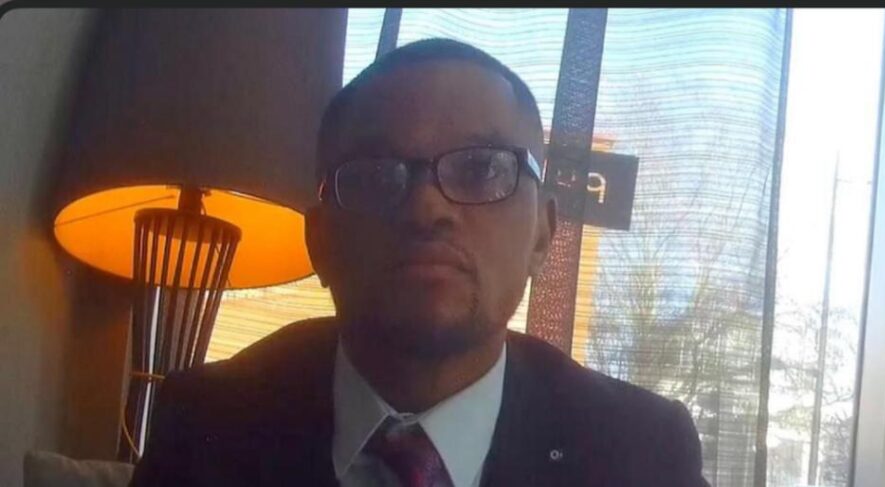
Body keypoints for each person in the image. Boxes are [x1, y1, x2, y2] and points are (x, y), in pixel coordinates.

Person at [130, 38, 708, 487]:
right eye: (376, 175)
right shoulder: (208, 424)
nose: (427, 208)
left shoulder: (641, 453)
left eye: (482, 169)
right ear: (319, 242)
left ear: (542, 235)